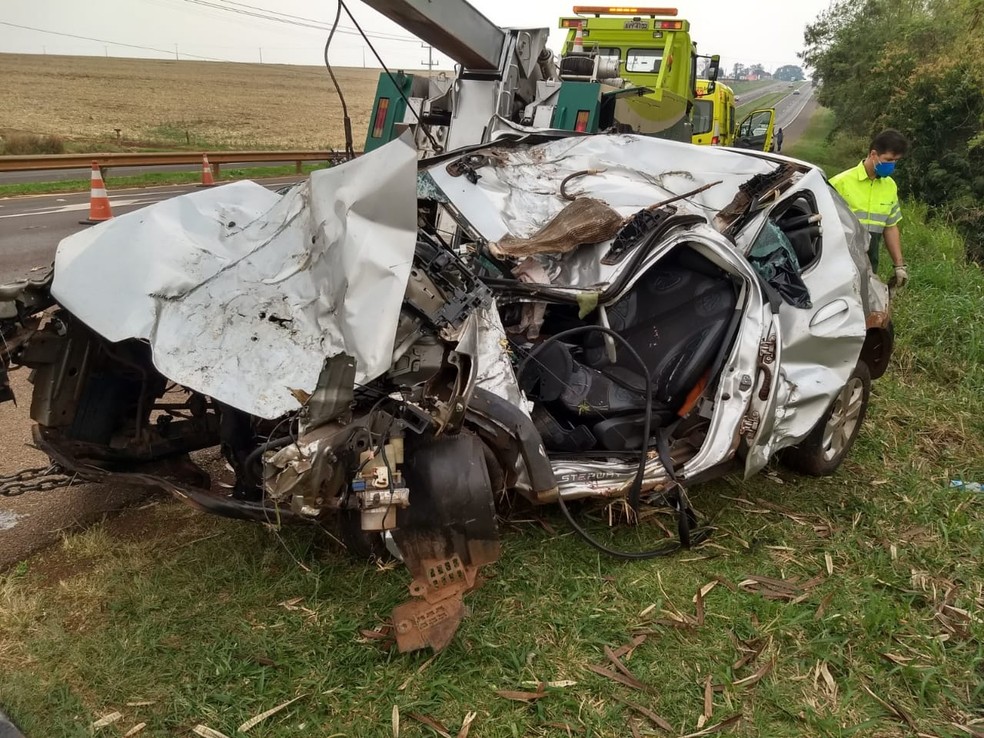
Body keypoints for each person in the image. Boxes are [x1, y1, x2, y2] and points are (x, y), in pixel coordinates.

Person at [830, 128, 909, 286]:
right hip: (839, 263)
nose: (892, 165)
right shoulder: (840, 183)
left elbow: (890, 227)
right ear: (873, 155)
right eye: (888, 160)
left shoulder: (890, 186)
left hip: (869, 265)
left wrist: (899, 266)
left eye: (896, 161)